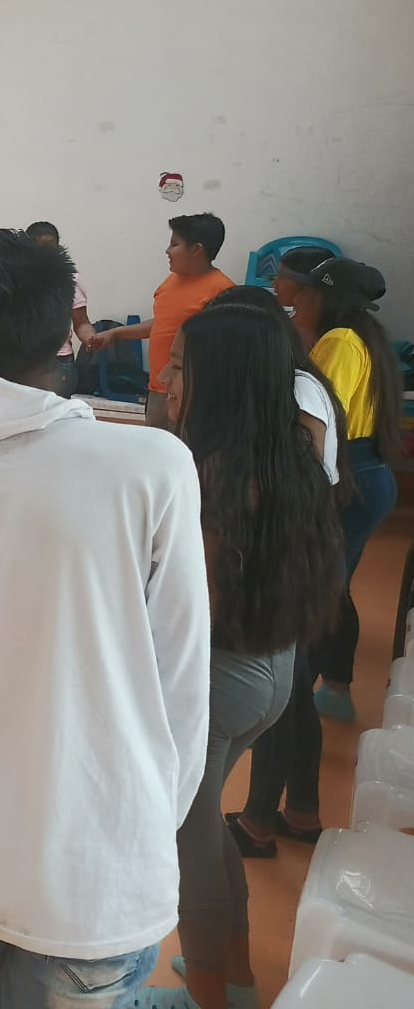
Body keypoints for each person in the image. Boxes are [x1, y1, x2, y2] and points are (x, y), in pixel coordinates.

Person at [0, 229, 210, 1009]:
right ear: (63, 337)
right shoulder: (152, 466)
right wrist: (144, 827)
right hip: (100, 868)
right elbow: (181, 676)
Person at [149, 304, 342, 1009]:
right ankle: (232, 975)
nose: (166, 381)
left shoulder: (215, 476)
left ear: (222, 381)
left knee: (185, 836)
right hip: (271, 671)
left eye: (180, 368)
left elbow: (186, 602)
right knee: (205, 824)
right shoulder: (287, 454)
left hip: (219, 678)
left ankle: (209, 996)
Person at [203, 285, 345, 861]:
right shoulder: (273, 400)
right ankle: (293, 809)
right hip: (291, 560)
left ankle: (265, 818)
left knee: (288, 701)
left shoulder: (295, 396)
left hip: (289, 561)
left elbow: (300, 487)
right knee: (288, 694)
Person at [291, 258, 402, 722]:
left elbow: (318, 412)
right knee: (333, 584)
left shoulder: (338, 341)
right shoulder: (364, 337)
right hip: (367, 473)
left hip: (349, 477)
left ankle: (308, 694)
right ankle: (333, 689)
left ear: (325, 297)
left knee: (321, 587)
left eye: (305, 292)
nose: (297, 300)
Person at [87, 214, 233, 429]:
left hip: (190, 394)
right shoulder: (172, 281)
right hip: (158, 388)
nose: (167, 251)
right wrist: (115, 333)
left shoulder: (221, 291)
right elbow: (163, 324)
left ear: (196, 250)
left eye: (174, 244)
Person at [25, 222, 95, 397]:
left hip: (58, 362)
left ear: (58, 248)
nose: (44, 254)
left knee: (54, 414)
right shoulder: (15, 279)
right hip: (24, 360)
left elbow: (81, 322)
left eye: (49, 248)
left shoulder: (70, 279)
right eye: (37, 247)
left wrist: (91, 338)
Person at [268, 245, 335, 324]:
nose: (274, 284)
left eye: (282, 277)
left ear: (307, 285)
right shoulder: (294, 316)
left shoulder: (309, 328)